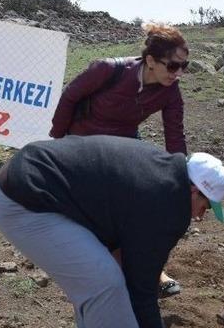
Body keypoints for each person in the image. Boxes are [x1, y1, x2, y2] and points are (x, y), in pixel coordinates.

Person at [0, 135, 224, 328]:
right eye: (206, 207)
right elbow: (142, 291)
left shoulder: (163, 174)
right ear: (193, 191)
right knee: (104, 281)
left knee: (101, 267)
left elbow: (118, 228)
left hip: (41, 185)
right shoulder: (164, 205)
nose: (200, 217)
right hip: (23, 204)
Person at [50, 23, 190, 298]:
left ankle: (152, 270)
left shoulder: (170, 91)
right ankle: (106, 270)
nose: (179, 73)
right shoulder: (107, 69)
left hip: (123, 149)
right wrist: (58, 141)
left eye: (184, 66)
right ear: (151, 60)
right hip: (83, 147)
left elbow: (175, 136)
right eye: (173, 66)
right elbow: (69, 97)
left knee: (144, 203)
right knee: (104, 211)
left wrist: (181, 177)